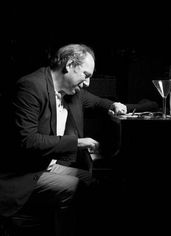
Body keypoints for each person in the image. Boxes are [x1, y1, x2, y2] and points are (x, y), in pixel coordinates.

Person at [0, 43, 128, 236]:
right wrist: (77, 143)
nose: (87, 83)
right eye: (86, 75)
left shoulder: (72, 91)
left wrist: (114, 104)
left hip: (46, 166)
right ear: (69, 64)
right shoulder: (31, 86)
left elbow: (97, 102)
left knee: (93, 183)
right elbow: (28, 141)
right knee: (75, 188)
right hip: (22, 173)